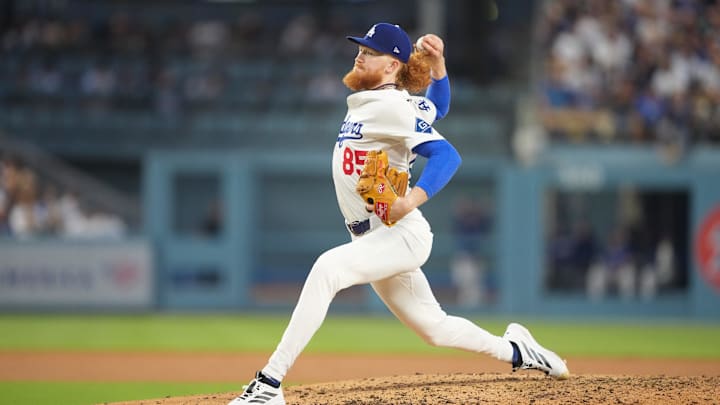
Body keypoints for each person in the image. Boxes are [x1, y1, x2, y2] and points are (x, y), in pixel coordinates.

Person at [229, 22, 569, 405]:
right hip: (374, 237)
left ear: (392, 66)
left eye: (370, 52)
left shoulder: (390, 107)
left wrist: (410, 200)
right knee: (435, 329)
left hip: (400, 233)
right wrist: (439, 68)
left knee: (328, 268)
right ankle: (521, 352)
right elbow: (436, 106)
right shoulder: (393, 103)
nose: (359, 54)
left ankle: (268, 385)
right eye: (360, 48)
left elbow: (447, 154)